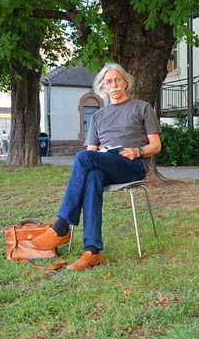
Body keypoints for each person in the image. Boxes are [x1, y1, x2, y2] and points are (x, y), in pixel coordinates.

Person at [21, 63, 162, 270]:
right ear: (103, 88)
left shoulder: (142, 107)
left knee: (82, 157)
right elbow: (92, 151)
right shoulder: (97, 116)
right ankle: (92, 251)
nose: (113, 85)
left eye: (117, 80)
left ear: (125, 83)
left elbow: (156, 145)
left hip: (133, 164)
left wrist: (138, 151)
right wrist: (103, 153)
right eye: (108, 82)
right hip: (108, 163)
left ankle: (61, 226)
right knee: (93, 175)